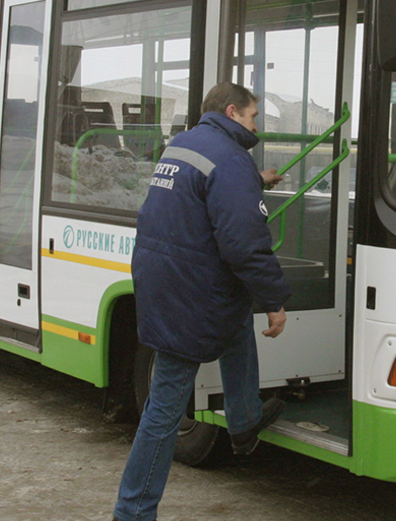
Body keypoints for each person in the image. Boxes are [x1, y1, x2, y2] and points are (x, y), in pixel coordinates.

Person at [113, 82, 290, 521]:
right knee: (164, 408)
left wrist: (255, 180)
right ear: (232, 112)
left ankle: (245, 421)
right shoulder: (230, 159)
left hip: (167, 282)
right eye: (252, 116)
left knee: (234, 322)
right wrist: (274, 300)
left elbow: (202, 192)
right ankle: (132, 511)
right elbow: (245, 244)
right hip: (190, 292)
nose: (256, 125)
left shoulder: (186, 144)